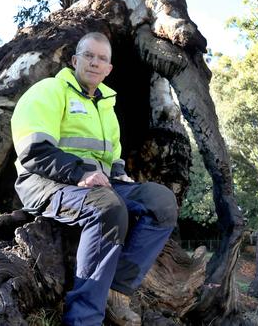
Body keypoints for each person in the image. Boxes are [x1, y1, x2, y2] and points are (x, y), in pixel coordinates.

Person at [10, 31, 177, 326]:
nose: (95, 63)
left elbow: (111, 159)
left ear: (109, 68)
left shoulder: (106, 106)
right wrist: (80, 173)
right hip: (43, 182)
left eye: (102, 58)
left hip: (93, 185)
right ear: (75, 60)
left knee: (161, 201)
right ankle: (83, 319)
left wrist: (118, 174)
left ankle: (116, 291)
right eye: (88, 55)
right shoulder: (49, 90)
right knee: (107, 207)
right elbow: (34, 151)